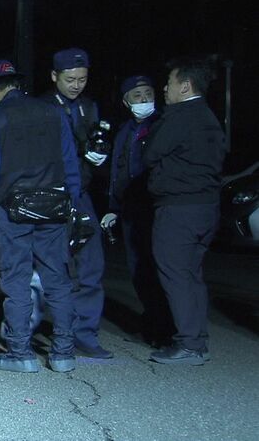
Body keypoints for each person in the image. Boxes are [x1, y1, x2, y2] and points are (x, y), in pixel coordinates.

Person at [0, 60, 82, 373]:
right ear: (17, 84)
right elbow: (70, 163)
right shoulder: (54, 112)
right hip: (55, 206)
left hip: (12, 209)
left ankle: (20, 352)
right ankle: (63, 353)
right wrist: (75, 200)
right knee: (58, 280)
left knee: (17, 279)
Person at [143, 57, 225, 365]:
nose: (165, 88)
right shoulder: (208, 116)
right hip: (206, 207)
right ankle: (197, 340)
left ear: (185, 86)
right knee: (192, 274)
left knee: (176, 273)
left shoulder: (181, 115)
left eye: (171, 83)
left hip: (179, 209)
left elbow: (151, 153)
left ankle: (188, 344)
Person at [43, 47, 112, 358]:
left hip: (81, 194)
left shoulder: (88, 107)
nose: (76, 85)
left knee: (91, 263)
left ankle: (85, 333)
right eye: (70, 79)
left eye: (82, 79)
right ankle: (55, 331)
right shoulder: (42, 107)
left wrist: (98, 155)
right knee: (54, 266)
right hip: (51, 194)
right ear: (55, 76)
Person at [101, 75, 171, 346]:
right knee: (138, 270)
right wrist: (113, 208)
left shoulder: (162, 124)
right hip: (130, 210)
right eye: (137, 96)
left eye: (148, 93)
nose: (144, 100)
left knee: (158, 268)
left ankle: (165, 328)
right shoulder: (125, 131)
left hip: (154, 207)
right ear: (126, 101)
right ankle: (151, 321)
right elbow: (118, 172)